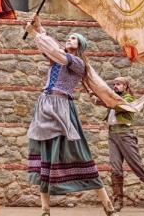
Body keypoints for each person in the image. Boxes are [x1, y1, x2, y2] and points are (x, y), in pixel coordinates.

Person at [24, 17, 117, 216]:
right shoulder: (58, 57)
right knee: (44, 154)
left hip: (62, 108)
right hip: (45, 105)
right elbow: (52, 49)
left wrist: (35, 33)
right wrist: (39, 28)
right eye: (69, 37)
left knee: (80, 153)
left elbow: (56, 52)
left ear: (81, 46)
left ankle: (107, 205)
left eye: (74, 38)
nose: (69, 39)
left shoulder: (77, 63)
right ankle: (45, 209)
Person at [101, 76, 144, 212]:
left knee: (138, 168)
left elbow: (120, 105)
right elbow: (102, 101)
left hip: (125, 135)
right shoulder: (113, 98)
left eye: (118, 84)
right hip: (112, 134)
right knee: (115, 169)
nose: (115, 86)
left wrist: (143, 99)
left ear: (125, 86)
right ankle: (118, 200)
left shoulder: (128, 99)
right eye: (114, 84)